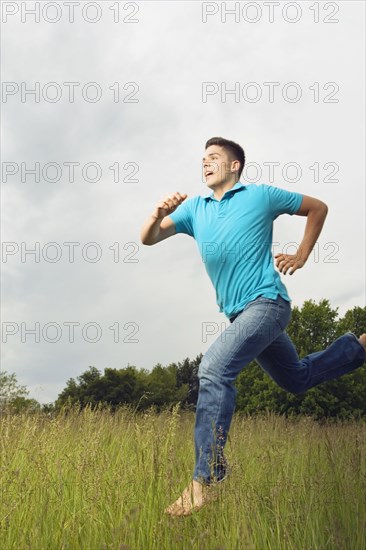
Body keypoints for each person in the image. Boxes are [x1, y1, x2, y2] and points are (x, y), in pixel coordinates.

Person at [139, 137, 366, 517]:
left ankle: (206, 478)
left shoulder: (260, 195)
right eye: (202, 159)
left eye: (214, 158)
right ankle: (359, 346)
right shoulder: (195, 208)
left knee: (212, 368)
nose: (206, 163)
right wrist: (155, 213)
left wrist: (301, 254)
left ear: (234, 166)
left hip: (267, 305)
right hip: (241, 316)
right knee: (296, 379)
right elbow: (150, 238)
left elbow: (317, 208)